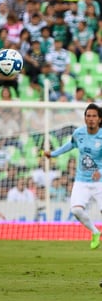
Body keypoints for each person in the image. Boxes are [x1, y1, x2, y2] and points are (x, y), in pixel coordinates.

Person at [44, 103, 102, 250]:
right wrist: (53, 154)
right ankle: (95, 232)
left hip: (100, 182)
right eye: (88, 116)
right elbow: (70, 145)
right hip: (82, 180)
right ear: (84, 118)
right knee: (76, 210)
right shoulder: (79, 133)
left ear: (100, 119)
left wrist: (100, 171)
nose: (91, 119)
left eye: (94, 116)